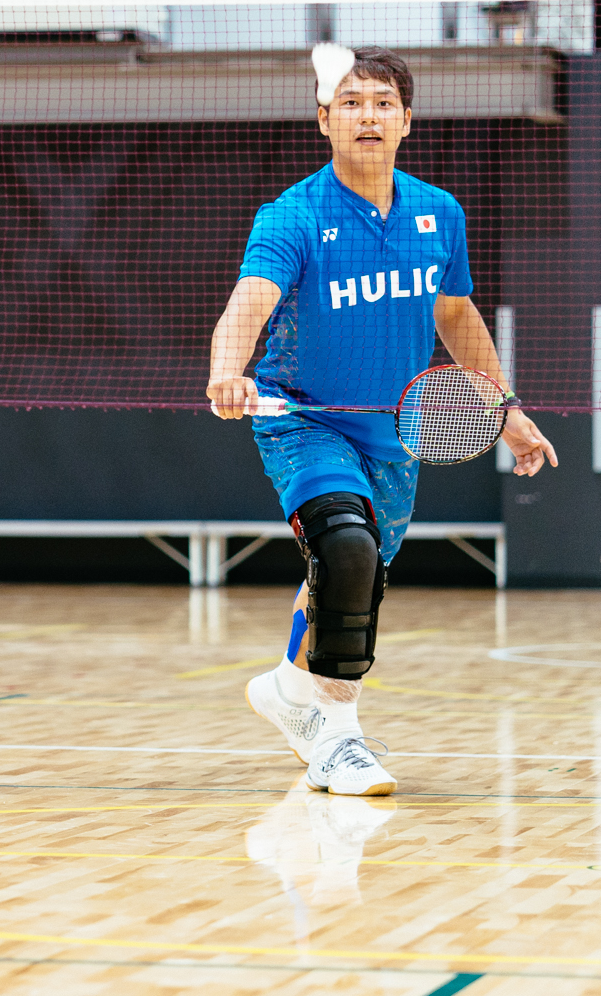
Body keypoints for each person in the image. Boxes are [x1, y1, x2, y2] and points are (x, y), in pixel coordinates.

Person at [205, 46, 555, 797]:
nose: (368, 114)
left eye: (382, 102)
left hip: (394, 433)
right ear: (324, 119)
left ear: (406, 121)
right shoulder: (294, 214)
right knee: (346, 544)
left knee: (348, 571)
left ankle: (287, 689)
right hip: (303, 418)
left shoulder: (440, 213)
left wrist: (507, 408)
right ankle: (337, 734)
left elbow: (456, 316)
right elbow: (250, 301)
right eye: (351, 102)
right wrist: (226, 368)